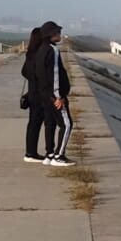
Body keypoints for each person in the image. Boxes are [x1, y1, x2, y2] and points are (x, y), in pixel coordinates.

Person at [20, 22, 73, 166]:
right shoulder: (48, 51)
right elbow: (54, 76)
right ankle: (54, 155)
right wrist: (57, 95)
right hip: (43, 93)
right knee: (56, 123)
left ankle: (46, 153)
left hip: (38, 92)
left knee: (40, 122)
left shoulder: (33, 53)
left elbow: (25, 71)